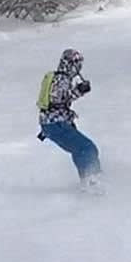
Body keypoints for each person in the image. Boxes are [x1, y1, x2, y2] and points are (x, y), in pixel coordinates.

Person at [36, 48, 101, 186]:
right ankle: (92, 180)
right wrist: (79, 90)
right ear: (71, 64)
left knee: (79, 149)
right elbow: (57, 100)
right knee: (87, 148)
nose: (79, 68)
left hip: (54, 123)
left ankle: (89, 177)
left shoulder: (60, 77)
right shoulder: (62, 79)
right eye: (77, 64)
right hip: (55, 124)